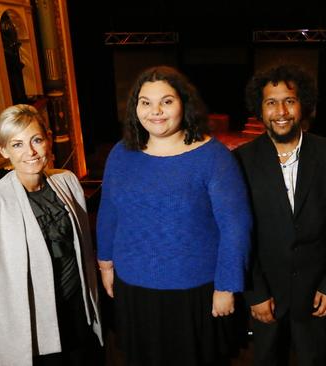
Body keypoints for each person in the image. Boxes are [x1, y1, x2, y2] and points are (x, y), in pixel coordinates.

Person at [96, 65, 252, 366]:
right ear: (135, 108)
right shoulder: (121, 153)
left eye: (166, 101)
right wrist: (105, 264)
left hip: (194, 291)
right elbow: (109, 211)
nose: (155, 111)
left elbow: (235, 226)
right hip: (134, 287)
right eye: (146, 102)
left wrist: (227, 285)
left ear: (184, 103)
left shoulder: (213, 156)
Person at [234, 63, 326, 365]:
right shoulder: (241, 161)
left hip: (317, 293)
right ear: (259, 109)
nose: (281, 111)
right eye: (271, 102)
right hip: (266, 295)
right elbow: (239, 232)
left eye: (289, 100)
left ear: (303, 105)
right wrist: (255, 292)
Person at [0, 104, 103, 366]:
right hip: (36, 318)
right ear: (3, 149)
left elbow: (83, 248)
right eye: (17, 144)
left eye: (36, 140)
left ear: (48, 140)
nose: (30, 152)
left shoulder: (67, 181)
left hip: (77, 305)